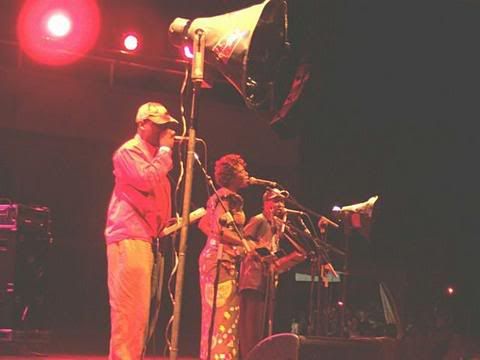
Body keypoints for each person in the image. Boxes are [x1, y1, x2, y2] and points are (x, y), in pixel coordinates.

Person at [104, 101, 178, 360]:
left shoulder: (154, 156)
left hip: (148, 238)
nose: (163, 131)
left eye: (166, 127)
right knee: (129, 309)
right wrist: (166, 150)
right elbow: (145, 180)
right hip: (129, 235)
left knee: (143, 312)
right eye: (158, 126)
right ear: (142, 124)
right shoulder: (129, 151)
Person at [197, 154, 254, 360]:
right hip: (221, 262)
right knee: (223, 316)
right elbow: (218, 230)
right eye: (242, 171)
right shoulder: (227, 197)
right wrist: (243, 243)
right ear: (232, 176)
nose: (247, 174)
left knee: (215, 315)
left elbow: (204, 224)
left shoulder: (218, 196)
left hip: (214, 258)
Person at [238, 188, 288, 358]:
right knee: (250, 328)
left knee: (261, 327)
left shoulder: (278, 225)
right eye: (275, 200)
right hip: (253, 279)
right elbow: (244, 243)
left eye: (282, 201)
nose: (280, 204)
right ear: (266, 203)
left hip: (266, 281)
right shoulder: (258, 220)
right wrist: (261, 254)